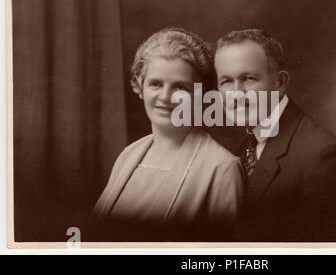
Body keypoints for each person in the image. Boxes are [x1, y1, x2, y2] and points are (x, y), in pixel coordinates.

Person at [93, 27, 244, 241]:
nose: (166, 97)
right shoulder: (129, 155)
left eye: (180, 87)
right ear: (139, 86)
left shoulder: (221, 169)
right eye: (155, 84)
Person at [213, 29, 336, 242]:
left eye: (248, 78)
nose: (236, 93)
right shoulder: (248, 145)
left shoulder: (323, 157)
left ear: (280, 83)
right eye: (226, 81)